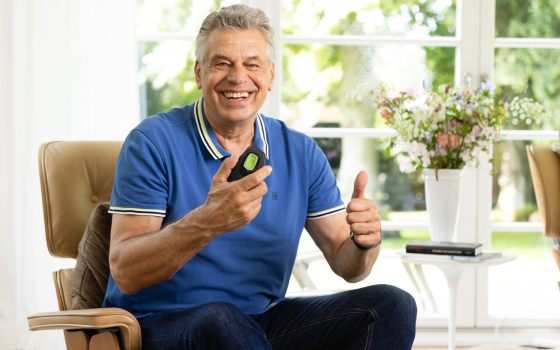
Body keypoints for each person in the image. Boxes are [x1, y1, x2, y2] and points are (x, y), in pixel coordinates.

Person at [102, 4, 417, 350]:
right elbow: (126, 272)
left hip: (257, 324)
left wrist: (363, 243)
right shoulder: (152, 142)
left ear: (269, 75)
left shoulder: (300, 152)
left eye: (252, 65)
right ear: (198, 73)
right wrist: (206, 222)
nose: (238, 78)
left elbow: (347, 263)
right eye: (222, 63)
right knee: (221, 319)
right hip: (160, 324)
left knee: (392, 306)